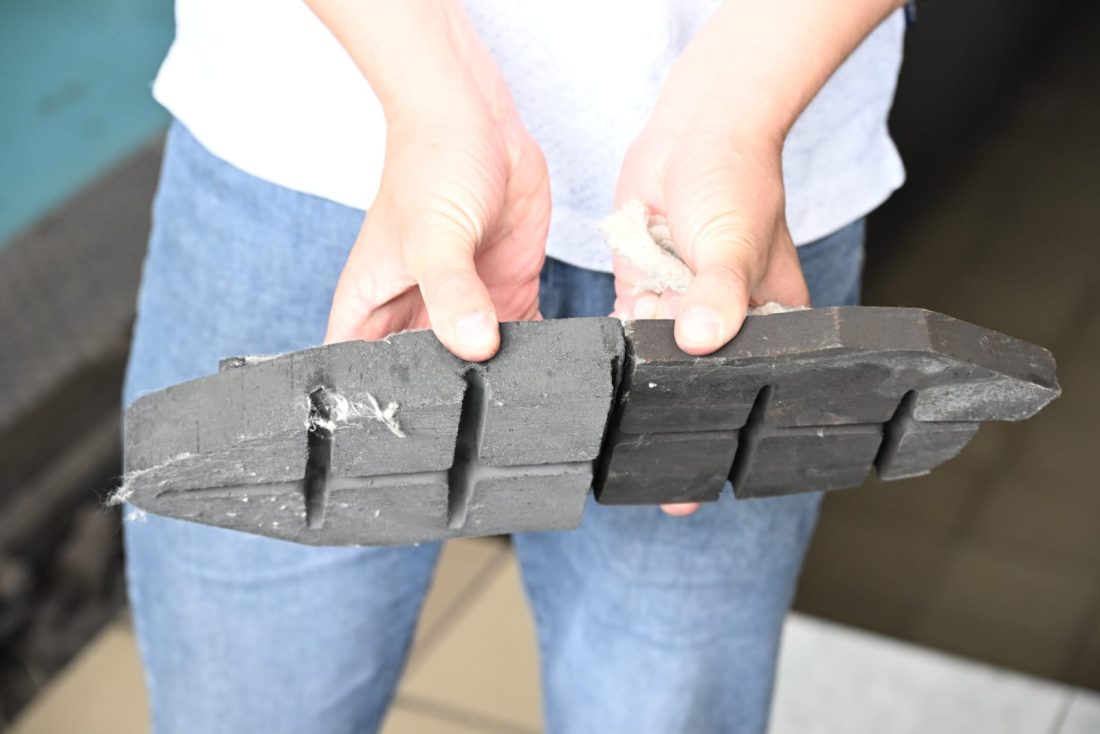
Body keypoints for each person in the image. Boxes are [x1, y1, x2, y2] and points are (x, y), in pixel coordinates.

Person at [123, 1, 909, 732]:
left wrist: (737, 114)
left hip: (734, 194)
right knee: (249, 703)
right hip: (310, 134)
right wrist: (428, 99)